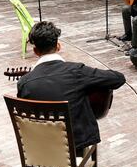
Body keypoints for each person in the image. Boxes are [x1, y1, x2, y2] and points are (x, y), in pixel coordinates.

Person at [17, 21, 125, 154]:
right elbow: (118, 78)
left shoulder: (24, 82)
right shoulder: (76, 71)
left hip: (42, 149)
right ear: (58, 46)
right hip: (75, 145)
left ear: (35, 51)